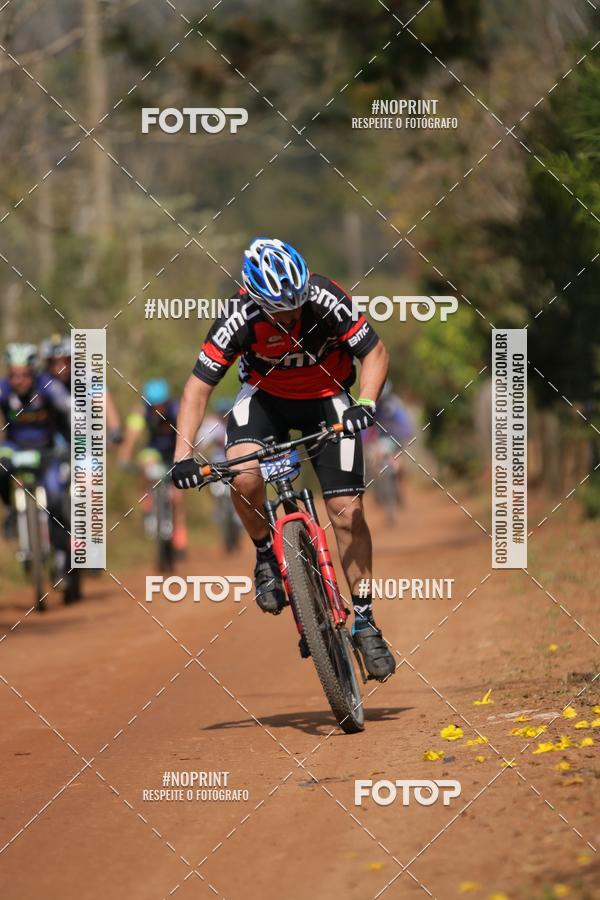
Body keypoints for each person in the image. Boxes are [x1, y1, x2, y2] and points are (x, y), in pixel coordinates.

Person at [171, 237, 395, 681]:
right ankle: (263, 555)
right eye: (280, 311)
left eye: (296, 306)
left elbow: (375, 353)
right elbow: (197, 389)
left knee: (347, 512)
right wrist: (182, 456)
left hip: (328, 395)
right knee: (244, 475)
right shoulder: (237, 317)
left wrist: (364, 403)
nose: (291, 316)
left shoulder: (325, 297)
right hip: (266, 402)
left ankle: (366, 623)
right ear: (255, 299)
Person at [0, 343, 70, 558]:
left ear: (33, 371)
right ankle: (10, 509)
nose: (18, 380)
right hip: (14, 447)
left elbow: (71, 408)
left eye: (24, 375)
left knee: (56, 496)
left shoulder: (48, 386)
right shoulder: (3, 388)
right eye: (13, 375)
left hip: (48, 449)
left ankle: (62, 552)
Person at [120, 378, 188, 557]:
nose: (157, 408)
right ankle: (148, 499)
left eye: (161, 404)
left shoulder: (176, 410)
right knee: (146, 464)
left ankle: (179, 536)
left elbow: (187, 433)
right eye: (153, 405)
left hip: (174, 451)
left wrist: (187, 456)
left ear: (167, 401)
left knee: (177, 497)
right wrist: (125, 456)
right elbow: (132, 435)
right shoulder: (141, 411)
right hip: (154, 450)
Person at [39, 333, 123, 446]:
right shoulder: (42, 379)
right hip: (52, 439)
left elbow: (103, 398)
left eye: (66, 361)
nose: (60, 368)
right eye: (54, 363)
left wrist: (115, 430)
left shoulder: (86, 375)